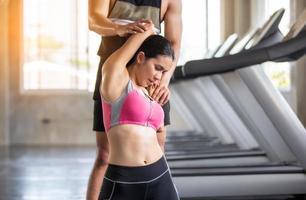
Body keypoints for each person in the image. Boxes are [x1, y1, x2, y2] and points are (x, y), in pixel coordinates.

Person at [87, 0, 182, 199]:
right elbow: (94, 19)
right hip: (114, 73)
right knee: (105, 155)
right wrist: (119, 28)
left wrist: (163, 80)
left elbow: (174, 43)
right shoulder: (112, 71)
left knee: (157, 143)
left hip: (151, 69)